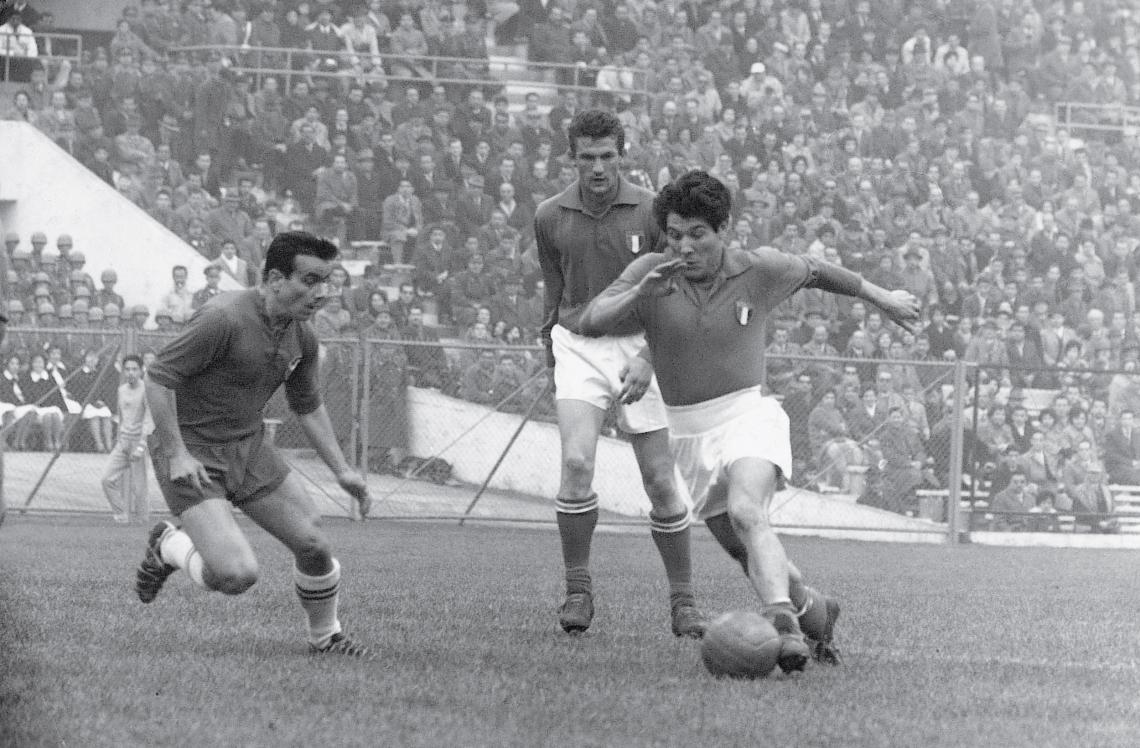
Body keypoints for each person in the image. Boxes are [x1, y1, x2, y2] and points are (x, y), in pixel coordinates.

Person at [579, 170, 921, 671]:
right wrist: (640, 293)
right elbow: (592, 319)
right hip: (689, 433)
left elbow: (819, 271)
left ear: (723, 230)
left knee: (747, 512)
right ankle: (817, 612)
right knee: (744, 551)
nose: (684, 246)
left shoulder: (759, 270)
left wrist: (883, 297)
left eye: (698, 234)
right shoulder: (653, 272)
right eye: (675, 234)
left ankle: (783, 626)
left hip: (748, 414)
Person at [132, 231, 373, 657]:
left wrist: (343, 471)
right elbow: (158, 378)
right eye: (311, 280)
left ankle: (326, 637)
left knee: (315, 546)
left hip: (249, 447)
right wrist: (177, 453)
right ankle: (168, 545)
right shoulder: (222, 317)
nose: (322, 293)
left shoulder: (303, 336)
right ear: (276, 278)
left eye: (327, 282)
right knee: (236, 575)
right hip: (194, 452)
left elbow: (308, 404)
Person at [535, 110, 706, 639]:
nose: (598, 167)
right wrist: (549, 349)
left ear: (623, 153)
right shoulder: (549, 215)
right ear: (573, 159)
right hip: (579, 344)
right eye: (587, 157)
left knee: (658, 480)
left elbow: (676, 289)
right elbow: (553, 287)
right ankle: (578, 591)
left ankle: (683, 601)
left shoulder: (654, 211)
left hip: (640, 343)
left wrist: (650, 357)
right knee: (576, 460)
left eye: (607, 155)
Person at [102, 355, 151, 523]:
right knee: (107, 479)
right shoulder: (121, 390)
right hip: (123, 441)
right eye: (128, 369)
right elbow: (121, 416)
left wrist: (141, 445)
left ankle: (143, 523)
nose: (131, 372)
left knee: (139, 488)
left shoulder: (146, 389)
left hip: (138, 441)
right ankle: (121, 516)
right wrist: (119, 439)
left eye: (134, 369)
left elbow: (148, 418)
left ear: (141, 370)